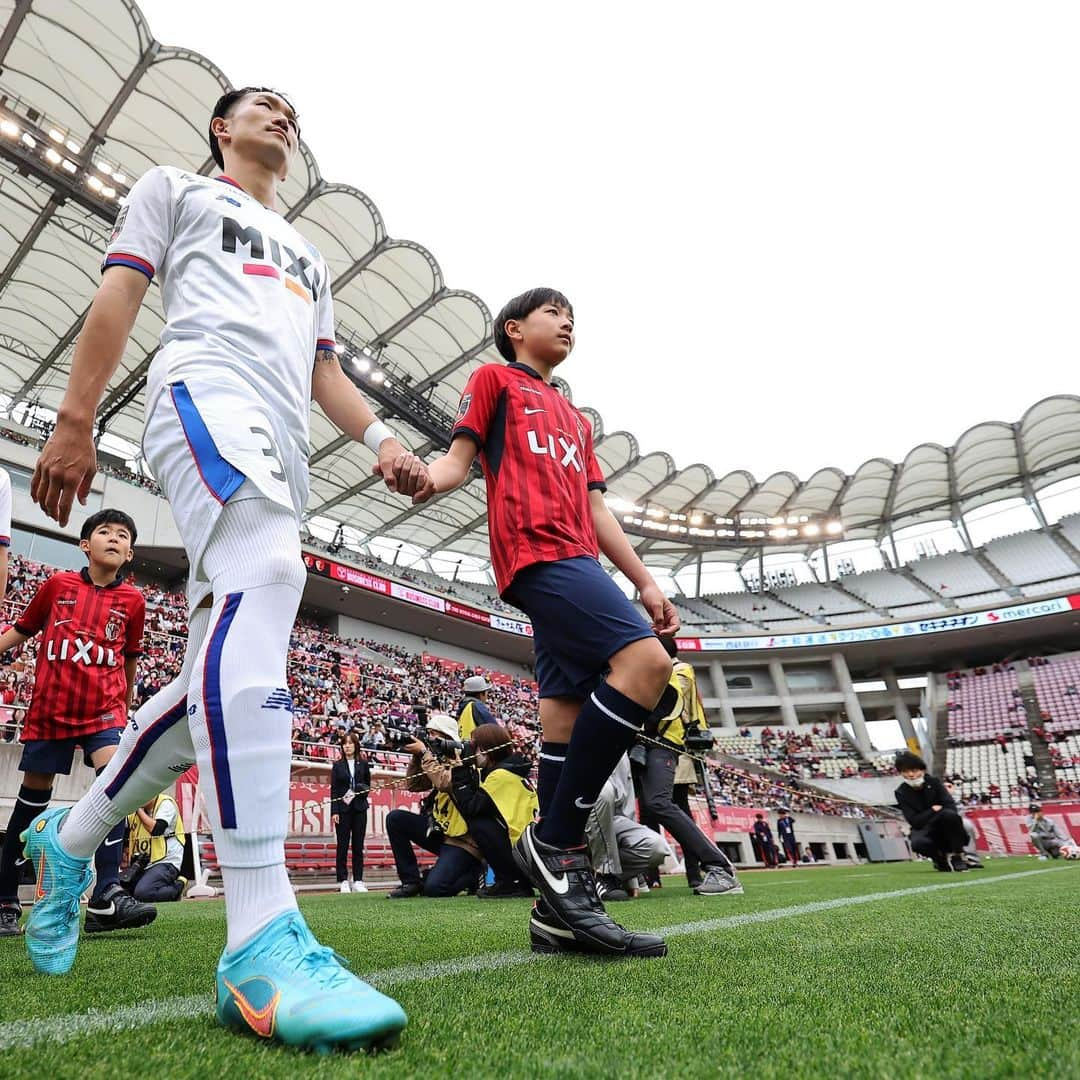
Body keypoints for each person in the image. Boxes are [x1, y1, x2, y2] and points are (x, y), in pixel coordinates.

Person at [24, 86, 422, 1050]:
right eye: (261, 107)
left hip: (283, 440)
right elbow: (118, 291)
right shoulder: (176, 191)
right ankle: (257, 936)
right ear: (220, 128)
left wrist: (379, 440)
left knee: (216, 680)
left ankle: (68, 839)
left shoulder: (314, 258)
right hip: (204, 394)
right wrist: (75, 419)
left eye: (292, 111)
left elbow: (327, 370)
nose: (281, 117)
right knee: (271, 574)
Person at [416, 287, 674, 959]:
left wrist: (643, 580)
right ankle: (554, 842)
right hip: (536, 555)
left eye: (572, 316)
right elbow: (457, 460)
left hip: (577, 556)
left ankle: (557, 914)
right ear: (515, 328)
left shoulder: (574, 417)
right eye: (553, 313)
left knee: (560, 720)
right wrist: (425, 478)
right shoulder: (495, 380)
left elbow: (597, 511)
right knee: (647, 664)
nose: (567, 322)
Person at [0, 509, 156, 938]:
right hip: (51, 711)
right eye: (103, 532)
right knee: (30, 808)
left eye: (122, 535)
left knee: (114, 791)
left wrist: (124, 714)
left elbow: (129, 661)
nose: (113, 538)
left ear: (129, 553)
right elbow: (22, 629)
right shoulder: (57, 586)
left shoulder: (134, 602)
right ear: (85, 545)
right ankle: (6, 900)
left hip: (103, 714)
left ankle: (106, 895)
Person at [637, 636, 741, 895]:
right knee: (652, 808)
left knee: (669, 805)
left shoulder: (679, 670)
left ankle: (703, 871)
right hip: (654, 743)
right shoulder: (664, 669)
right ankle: (650, 875)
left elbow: (668, 702)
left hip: (672, 744)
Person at [386, 713, 482, 898]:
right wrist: (417, 757)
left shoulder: (464, 758)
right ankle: (410, 881)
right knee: (395, 819)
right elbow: (414, 785)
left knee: (435, 889)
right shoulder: (435, 758)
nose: (429, 738)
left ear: (447, 737)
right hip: (441, 832)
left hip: (463, 840)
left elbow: (444, 783)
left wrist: (424, 753)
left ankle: (473, 875)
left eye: (433, 734)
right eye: (428, 734)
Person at [449, 723, 537, 899]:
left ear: (487, 748)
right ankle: (512, 881)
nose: (471, 752)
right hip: (529, 849)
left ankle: (510, 883)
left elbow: (470, 808)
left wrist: (460, 771)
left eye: (474, 747)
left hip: (523, 854)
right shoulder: (511, 771)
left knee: (479, 823)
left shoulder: (500, 776)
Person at [586, 754, 671, 901]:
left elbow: (626, 811)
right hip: (573, 822)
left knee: (657, 847)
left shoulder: (621, 751)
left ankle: (605, 877)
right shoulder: (574, 738)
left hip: (611, 822)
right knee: (601, 791)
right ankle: (603, 875)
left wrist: (632, 878)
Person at [893, 750, 969, 871]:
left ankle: (958, 855)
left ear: (922, 770)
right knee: (918, 843)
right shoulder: (901, 792)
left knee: (950, 816)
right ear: (901, 773)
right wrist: (933, 810)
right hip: (924, 827)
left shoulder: (934, 782)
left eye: (914, 770)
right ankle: (939, 859)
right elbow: (914, 821)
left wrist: (929, 815)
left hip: (943, 821)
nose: (911, 774)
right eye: (906, 771)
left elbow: (950, 806)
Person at [123, 792, 186, 902]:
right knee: (119, 890)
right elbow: (124, 831)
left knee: (143, 893)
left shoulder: (165, 803)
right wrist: (124, 852)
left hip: (165, 862)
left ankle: (178, 886)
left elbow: (157, 829)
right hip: (140, 864)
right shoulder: (133, 811)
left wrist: (138, 809)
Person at [330, 732, 370, 893]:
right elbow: (334, 790)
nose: (347, 746)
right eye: (344, 743)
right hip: (343, 810)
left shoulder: (364, 764)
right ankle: (343, 880)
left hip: (360, 808)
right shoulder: (337, 765)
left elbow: (368, 785)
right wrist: (335, 811)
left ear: (356, 745)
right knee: (343, 845)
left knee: (358, 846)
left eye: (350, 743)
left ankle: (358, 880)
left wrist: (360, 790)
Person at [455, 674, 496, 741]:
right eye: (486, 692)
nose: (487, 696)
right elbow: (495, 731)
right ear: (481, 694)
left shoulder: (463, 708)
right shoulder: (476, 706)